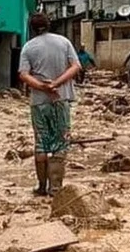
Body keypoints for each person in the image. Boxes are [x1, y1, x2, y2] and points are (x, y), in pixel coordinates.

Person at [18, 13, 82, 196]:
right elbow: (76, 66)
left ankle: (41, 187)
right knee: (60, 143)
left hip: (39, 102)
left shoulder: (28, 47)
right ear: (49, 25)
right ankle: (56, 189)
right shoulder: (64, 42)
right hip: (61, 100)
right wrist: (56, 84)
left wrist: (42, 86)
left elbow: (23, 74)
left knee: (41, 143)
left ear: (31, 28)